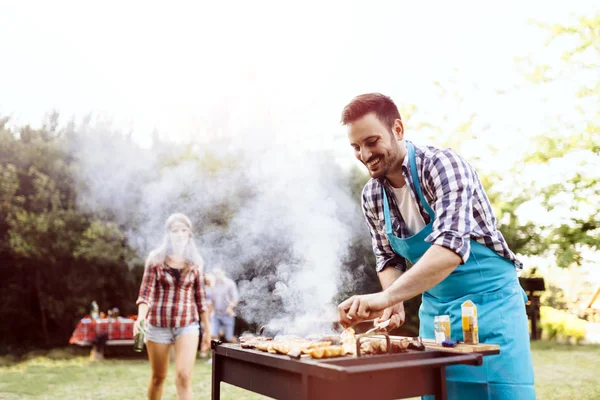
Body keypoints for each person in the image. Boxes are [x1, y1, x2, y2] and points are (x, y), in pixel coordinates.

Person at [337, 93, 535, 399]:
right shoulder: (372, 196)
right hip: (438, 315)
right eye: (356, 147)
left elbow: (450, 249)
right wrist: (393, 301)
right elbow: (388, 257)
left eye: (372, 141)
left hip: (492, 308)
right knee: (440, 393)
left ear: (398, 130)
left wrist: (384, 296)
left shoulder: (443, 165)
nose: (365, 154)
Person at [134, 213, 211, 400]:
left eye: (183, 230)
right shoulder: (155, 259)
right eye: (175, 230)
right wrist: (141, 318)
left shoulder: (196, 262)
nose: (179, 234)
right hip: (158, 325)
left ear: (189, 234)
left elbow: (201, 299)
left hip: (187, 324)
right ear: (168, 234)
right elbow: (146, 293)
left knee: (184, 377)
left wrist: (207, 330)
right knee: (158, 377)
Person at [210, 268, 239, 343]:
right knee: (213, 336)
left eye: (218, 273)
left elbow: (235, 298)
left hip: (227, 314)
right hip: (215, 314)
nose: (217, 275)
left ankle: (236, 351)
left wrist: (230, 307)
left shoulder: (230, 283)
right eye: (215, 273)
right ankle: (215, 354)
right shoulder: (213, 284)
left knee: (229, 338)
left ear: (223, 272)